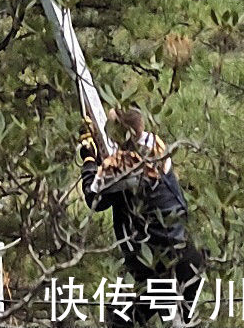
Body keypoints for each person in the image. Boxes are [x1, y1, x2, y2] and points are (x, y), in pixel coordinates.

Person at [79, 107, 206, 326]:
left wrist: (89, 159)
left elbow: (94, 197)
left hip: (158, 267)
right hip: (186, 257)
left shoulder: (122, 165)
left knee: (120, 319)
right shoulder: (155, 144)